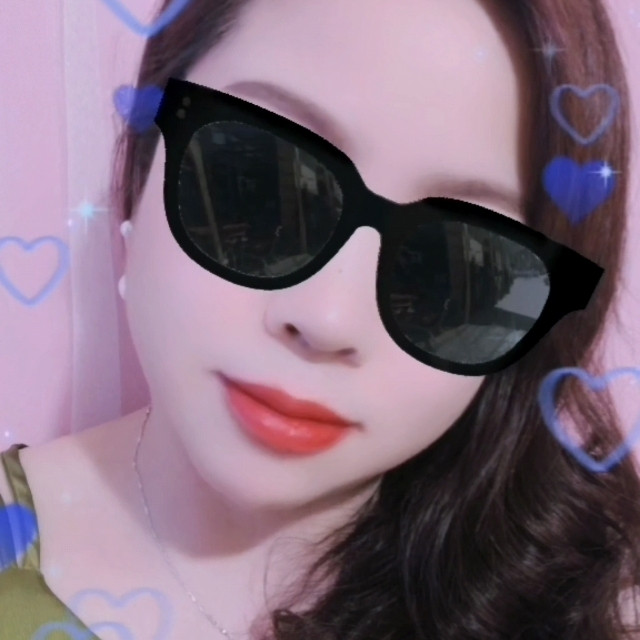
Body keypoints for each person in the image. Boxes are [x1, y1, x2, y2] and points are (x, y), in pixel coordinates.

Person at [1, 0, 640, 638]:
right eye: (264, 189)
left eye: (453, 267)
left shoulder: (588, 609)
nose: (328, 319)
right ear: (144, 161)